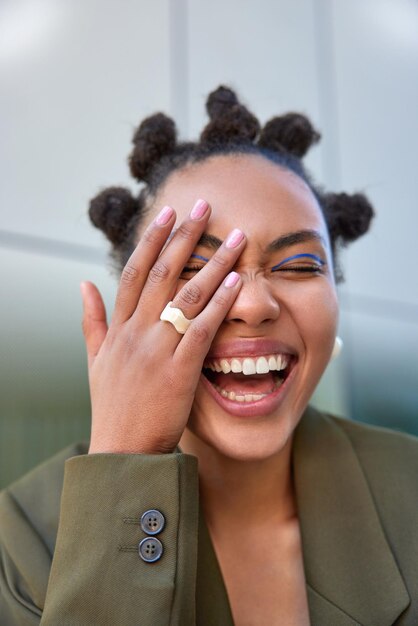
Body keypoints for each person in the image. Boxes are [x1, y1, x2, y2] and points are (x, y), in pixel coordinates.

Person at [1, 86, 417, 626]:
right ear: (134, 308)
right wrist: (126, 459)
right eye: (196, 270)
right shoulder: (22, 537)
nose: (252, 304)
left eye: (297, 266)